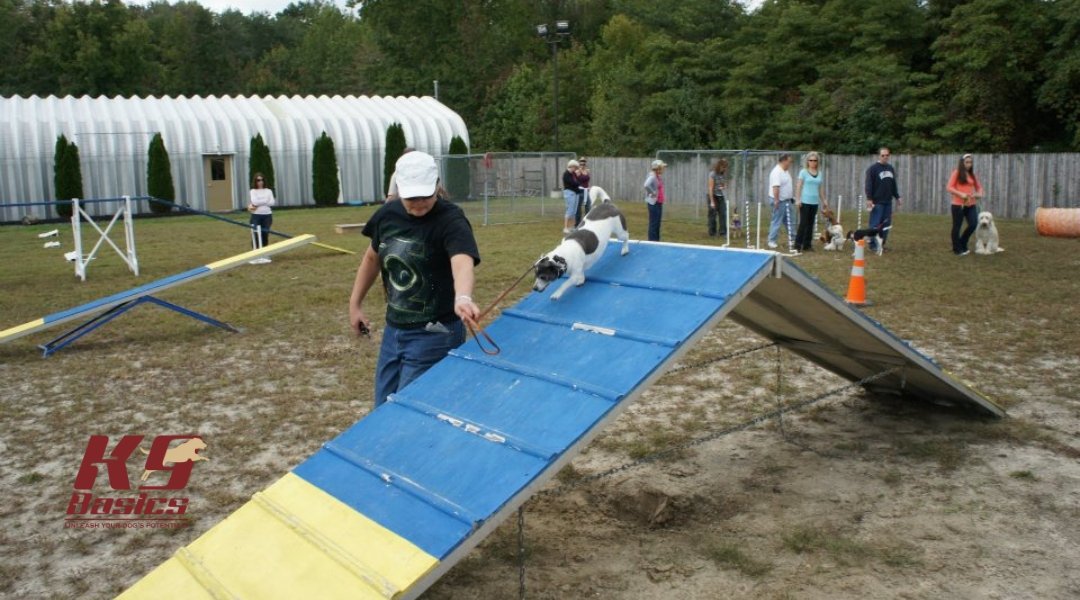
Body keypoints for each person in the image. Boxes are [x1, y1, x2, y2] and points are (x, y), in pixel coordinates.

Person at [349, 151, 481, 409]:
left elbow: (461, 260)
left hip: (435, 333)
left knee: (408, 410)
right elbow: (372, 259)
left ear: (437, 186)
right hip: (395, 330)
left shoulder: (451, 219)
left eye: (426, 195)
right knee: (382, 408)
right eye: (411, 198)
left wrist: (463, 296)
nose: (419, 203)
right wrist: (355, 304)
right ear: (399, 189)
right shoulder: (387, 216)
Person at [864, 147, 903, 252]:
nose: (885, 157)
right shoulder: (873, 169)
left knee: (886, 225)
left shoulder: (890, 168)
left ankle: (881, 245)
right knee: (875, 224)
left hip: (888, 202)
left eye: (887, 155)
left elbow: (893, 184)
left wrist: (897, 196)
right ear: (879, 156)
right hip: (877, 202)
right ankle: (872, 245)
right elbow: (868, 185)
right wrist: (869, 198)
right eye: (883, 155)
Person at [946, 153, 984, 256]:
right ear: (962, 163)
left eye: (971, 162)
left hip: (971, 204)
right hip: (958, 205)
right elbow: (949, 187)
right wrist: (960, 194)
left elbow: (979, 187)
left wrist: (979, 193)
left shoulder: (972, 175)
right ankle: (957, 249)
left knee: (973, 224)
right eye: (967, 162)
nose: (969, 164)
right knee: (957, 227)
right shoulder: (956, 173)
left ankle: (962, 242)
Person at [794, 152, 828, 251]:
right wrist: (798, 199)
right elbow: (799, 186)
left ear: (817, 162)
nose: (813, 162)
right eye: (811, 160)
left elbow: (820, 189)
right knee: (803, 223)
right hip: (805, 201)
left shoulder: (820, 173)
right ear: (807, 161)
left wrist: (824, 201)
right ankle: (797, 245)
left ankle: (807, 245)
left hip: (814, 202)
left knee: (811, 223)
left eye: (815, 160)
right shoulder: (803, 172)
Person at [766, 154, 795, 250]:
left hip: (787, 200)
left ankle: (793, 239)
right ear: (784, 161)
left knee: (790, 220)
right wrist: (776, 200)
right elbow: (775, 187)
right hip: (779, 201)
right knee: (777, 220)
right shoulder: (776, 172)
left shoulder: (785, 171)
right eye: (789, 162)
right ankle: (771, 241)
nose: (790, 164)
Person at [247, 172, 275, 263]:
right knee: (255, 234)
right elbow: (255, 202)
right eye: (258, 180)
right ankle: (255, 254)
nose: (260, 182)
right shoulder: (253, 191)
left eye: (262, 180)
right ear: (255, 181)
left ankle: (265, 254)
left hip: (267, 216)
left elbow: (272, 203)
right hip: (256, 216)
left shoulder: (269, 191)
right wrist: (265, 201)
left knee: (264, 235)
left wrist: (260, 202)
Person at [643, 159, 666, 241]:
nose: (664, 169)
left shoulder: (658, 176)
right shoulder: (652, 176)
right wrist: (652, 193)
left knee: (657, 223)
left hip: (658, 202)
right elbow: (646, 185)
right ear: (658, 168)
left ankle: (656, 240)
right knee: (654, 223)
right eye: (662, 167)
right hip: (654, 203)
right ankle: (652, 241)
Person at [707, 158, 729, 238]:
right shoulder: (712, 174)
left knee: (723, 214)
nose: (725, 169)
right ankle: (712, 233)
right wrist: (712, 202)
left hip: (720, 196)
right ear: (719, 166)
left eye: (726, 167)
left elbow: (724, 184)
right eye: (724, 167)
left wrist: (723, 187)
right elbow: (710, 188)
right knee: (712, 215)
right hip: (713, 196)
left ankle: (723, 232)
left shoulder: (722, 174)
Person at [562, 159, 582, 234]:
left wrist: (577, 178)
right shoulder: (566, 174)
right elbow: (573, 183)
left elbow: (578, 182)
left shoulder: (573, 174)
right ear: (572, 166)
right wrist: (577, 182)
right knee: (569, 210)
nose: (576, 169)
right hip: (570, 193)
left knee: (574, 211)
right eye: (575, 167)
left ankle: (572, 227)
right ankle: (565, 227)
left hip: (575, 193)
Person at [576, 157, 591, 221]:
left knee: (588, 205)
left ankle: (587, 220)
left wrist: (588, 187)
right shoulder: (577, 171)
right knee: (578, 207)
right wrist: (579, 170)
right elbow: (575, 180)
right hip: (579, 190)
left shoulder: (587, 171)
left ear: (585, 164)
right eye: (581, 164)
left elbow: (587, 181)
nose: (582, 165)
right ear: (579, 163)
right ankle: (577, 223)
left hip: (586, 191)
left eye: (584, 164)